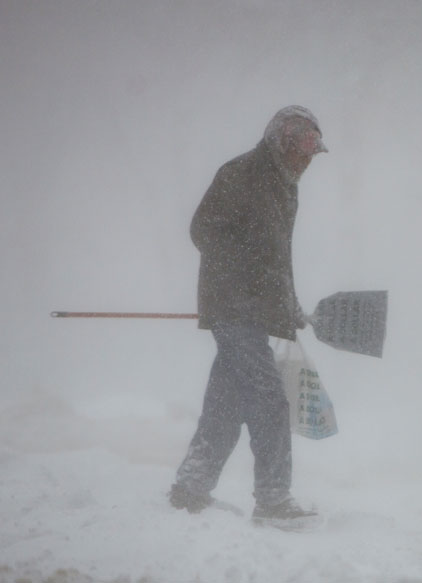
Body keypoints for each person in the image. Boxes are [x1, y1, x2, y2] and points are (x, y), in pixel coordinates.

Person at [168, 105, 328, 528]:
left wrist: (287, 303)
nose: (308, 162)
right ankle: (273, 500)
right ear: (282, 144)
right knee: (270, 401)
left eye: (313, 155)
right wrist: (247, 273)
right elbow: (203, 230)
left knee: (226, 403)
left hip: (255, 310)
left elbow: (276, 257)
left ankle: (190, 489)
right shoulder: (241, 174)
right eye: (302, 153)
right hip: (233, 308)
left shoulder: (283, 185)